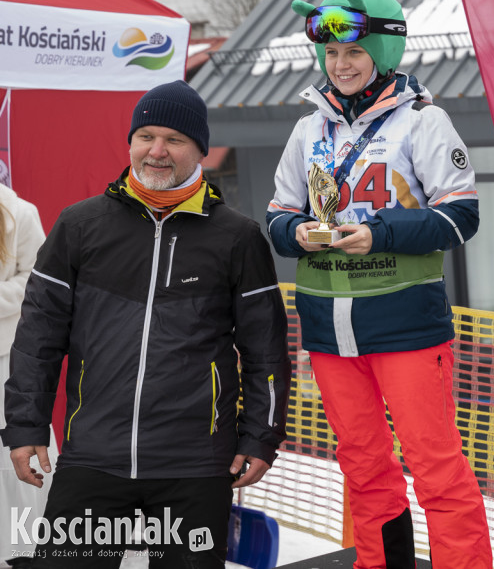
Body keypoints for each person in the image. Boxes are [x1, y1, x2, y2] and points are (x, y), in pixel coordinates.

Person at [1, 80, 291, 568]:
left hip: (195, 465)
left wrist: (262, 436)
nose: (157, 151)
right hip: (94, 454)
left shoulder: (237, 238)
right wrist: (26, 424)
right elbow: (38, 337)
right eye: (146, 136)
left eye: (174, 140)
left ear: (199, 149)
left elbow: (266, 350)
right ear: (131, 141)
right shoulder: (79, 225)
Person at [266, 0, 492, 569]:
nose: (340, 66)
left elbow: (462, 216)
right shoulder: (308, 128)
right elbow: (278, 214)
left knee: (435, 467)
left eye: (355, 53)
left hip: (405, 325)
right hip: (328, 327)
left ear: (384, 54)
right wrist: (294, 233)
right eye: (332, 55)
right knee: (363, 468)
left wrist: (381, 233)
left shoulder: (422, 122)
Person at [0, 184, 47, 568]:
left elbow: (38, 279)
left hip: (6, 359)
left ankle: (24, 549)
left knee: (14, 457)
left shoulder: (18, 211)